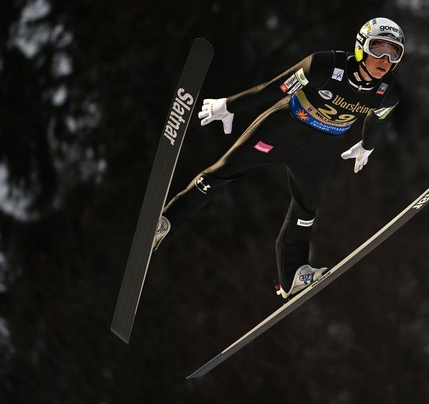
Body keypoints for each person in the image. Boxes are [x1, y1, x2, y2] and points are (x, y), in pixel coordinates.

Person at [152, 17, 405, 299]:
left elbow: (377, 120)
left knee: (306, 208)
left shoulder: (390, 92)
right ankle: (165, 222)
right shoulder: (324, 65)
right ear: (361, 48)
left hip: (320, 149)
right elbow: (276, 88)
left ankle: (293, 276)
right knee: (224, 171)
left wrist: (367, 146)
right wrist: (230, 105)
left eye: (394, 52)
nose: (385, 58)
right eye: (378, 48)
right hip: (283, 128)